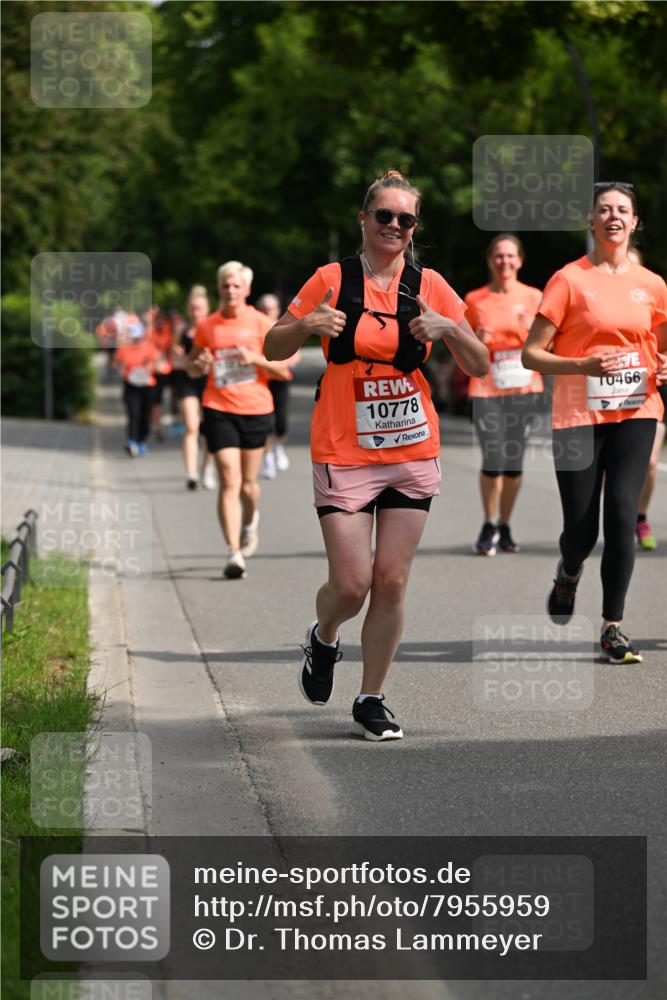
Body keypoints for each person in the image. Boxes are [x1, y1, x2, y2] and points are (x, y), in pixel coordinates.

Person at [265, 168, 488, 740]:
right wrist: (307, 324)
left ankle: (371, 697)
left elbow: (480, 364)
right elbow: (272, 344)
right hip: (343, 447)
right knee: (352, 583)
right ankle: (323, 636)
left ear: (414, 229)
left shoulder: (429, 284)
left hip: (413, 446)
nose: (393, 226)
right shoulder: (331, 278)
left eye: (404, 219)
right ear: (363, 220)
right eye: (383, 216)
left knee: (390, 580)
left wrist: (451, 331)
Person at [522, 182, 667, 664]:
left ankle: (613, 626)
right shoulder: (568, 280)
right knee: (581, 531)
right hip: (576, 415)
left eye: (622, 210)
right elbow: (532, 355)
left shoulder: (652, 285)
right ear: (591, 220)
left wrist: (665, 365)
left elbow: (660, 348)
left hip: (636, 410)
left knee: (624, 516)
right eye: (604, 209)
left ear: (634, 221)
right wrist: (582, 366)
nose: (613, 217)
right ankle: (568, 571)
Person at [187, 261, 291, 579]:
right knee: (229, 480)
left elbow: (282, 370)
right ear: (219, 289)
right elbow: (192, 366)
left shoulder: (261, 323)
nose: (230, 291)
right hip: (218, 407)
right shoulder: (208, 326)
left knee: (248, 485)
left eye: (236, 286)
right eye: (225, 286)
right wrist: (199, 361)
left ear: (246, 290)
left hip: (257, 409)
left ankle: (250, 522)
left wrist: (255, 359)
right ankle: (233, 553)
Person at [465, 234, 543, 555]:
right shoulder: (474, 299)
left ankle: (505, 524)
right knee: (493, 457)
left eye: (511, 256)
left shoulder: (535, 297)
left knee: (513, 462)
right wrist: (475, 339)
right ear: (489, 260)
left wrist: (529, 331)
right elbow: (463, 349)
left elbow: (548, 346)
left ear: (520, 260)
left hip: (524, 388)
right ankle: (488, 521)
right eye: (499, 256)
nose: (504, 262)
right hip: (487, 389)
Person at [628, 250, 667, 549]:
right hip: (609, 399)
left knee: (650, 462)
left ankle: (639, 517)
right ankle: (620, 514)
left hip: (651, 395)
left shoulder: (654, 294)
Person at [171, 286, 216, 490]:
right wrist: (180, 355)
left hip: (209, 381)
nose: (196, 311)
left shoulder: (213, 327)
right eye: (193, 308)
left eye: (199, 307)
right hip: (186, 379)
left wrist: (209, 360)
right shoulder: (182, 330)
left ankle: (207, 467)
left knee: (209, 430)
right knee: (191, 425)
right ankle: (191, 473)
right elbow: (173, 355)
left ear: (207, 308)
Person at [256, 293, 301, 478]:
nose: (268, 312)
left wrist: (277, 364)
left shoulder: (286, 327)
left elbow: (295, 356)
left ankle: (278, 446)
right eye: (264, 309)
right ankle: (268, 458)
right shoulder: (255, 328)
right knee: (266, 423)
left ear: (277, 310)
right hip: (261, 382)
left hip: (281, 380)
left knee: (281, 423)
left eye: (271, 308)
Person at [114, 324, 161, 457]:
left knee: (145, 415)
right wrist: (120, 370)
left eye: (138, 337)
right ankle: (132, 441)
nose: (136, 340)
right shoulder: (124, 349)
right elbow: (115, 365)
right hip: (131, 385)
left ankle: (141, 440)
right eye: (134, 337)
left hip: (147, 386)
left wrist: (151, 366)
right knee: (133, 414)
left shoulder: (149, 348)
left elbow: (159, 365)